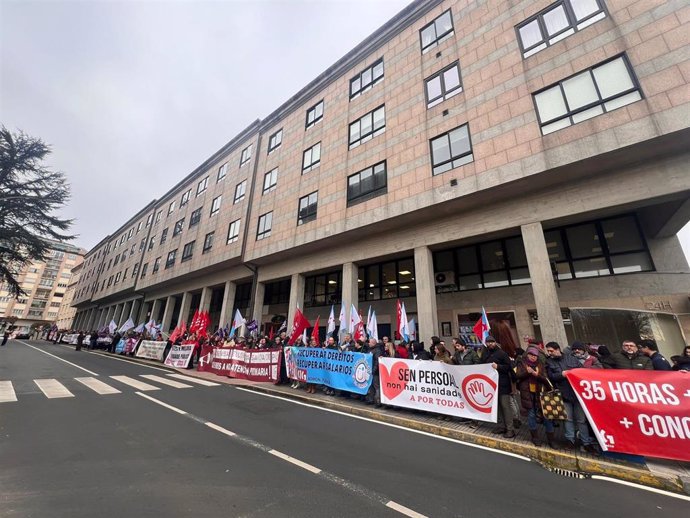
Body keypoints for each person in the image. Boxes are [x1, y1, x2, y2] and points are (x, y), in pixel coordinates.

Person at [545, 342, 598, 453]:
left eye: (551, 351)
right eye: (548, 351)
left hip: (577, 393)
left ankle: (586, 442)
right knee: (567, 419)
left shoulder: (572, 359)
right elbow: (551, 376)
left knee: (581, 420)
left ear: (557, 349)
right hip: (563, 393)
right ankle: (570, 440)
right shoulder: (549, 362)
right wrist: (561, 374)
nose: (549, 353)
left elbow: (582, 371)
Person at [516, 346, 555, 447]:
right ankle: (535, 437)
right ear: (528, 355)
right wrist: (527, 373)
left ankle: (551, 439)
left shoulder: (540, 365)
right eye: (531, 355)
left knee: (547, 416)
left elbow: (546, 379)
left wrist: (536, 374)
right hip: (527, 393)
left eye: (535, 356)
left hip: (540, 393)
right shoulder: (522, 363)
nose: (533, 357)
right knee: (531, 415)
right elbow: (518, 376)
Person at [481, 336, 517, 438]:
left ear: (495, 342)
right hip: (491, 384)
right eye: (488, 342)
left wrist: (499, 367)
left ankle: (510, 429)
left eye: (492, 342)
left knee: (505, 407)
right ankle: (501, 426)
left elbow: (509, 367)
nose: (490, 344)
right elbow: (481, 364)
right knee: (497, 407)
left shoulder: (502, 353)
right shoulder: (485, 353)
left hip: (503, 384)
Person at [365, 338, 383, 407]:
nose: (368, 343)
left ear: (373, 343)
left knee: (376, 386)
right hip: (370, 371)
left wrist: (373, 370)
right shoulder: (371, 349)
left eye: (369, 342)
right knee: (371, 386)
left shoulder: (377, 350)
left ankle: (378, 401)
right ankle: (371, 399)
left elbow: (376, 361)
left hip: (375, 372)